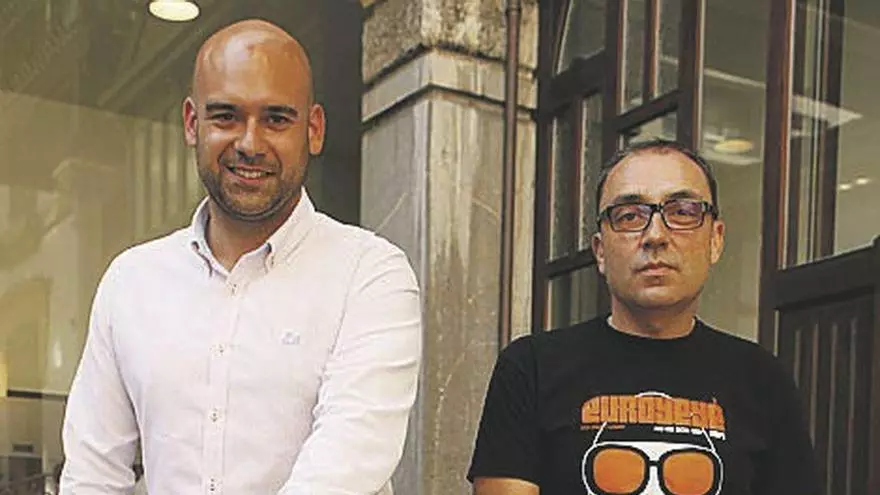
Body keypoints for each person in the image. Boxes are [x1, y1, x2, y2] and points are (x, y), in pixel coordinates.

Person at [61, 19, 422, 494]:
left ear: (313, 130)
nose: (250, 144)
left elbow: (344, 466)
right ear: (193, 124)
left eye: (276, 119)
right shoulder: (131, 283)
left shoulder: (370, 276)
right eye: (226, 116)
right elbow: (93, 475)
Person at [468, 139, 819, 494]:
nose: (655, 235)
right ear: (600, 250)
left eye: (682, 212)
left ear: (715, 240)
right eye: (630, 216)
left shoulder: (763, 380)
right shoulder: (531, 368)